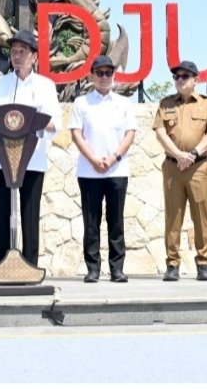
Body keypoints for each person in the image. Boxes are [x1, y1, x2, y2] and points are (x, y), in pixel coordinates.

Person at [0, 30, 62, 267]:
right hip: (3, 160)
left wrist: (32, 119)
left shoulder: (46, 85)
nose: (16, 56)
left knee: (29, 215)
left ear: (34, 57)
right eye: (13, 51)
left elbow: (55, 122)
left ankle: (30, 266)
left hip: (32, 159)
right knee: (2, 213)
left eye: (22, 52)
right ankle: (1, 265)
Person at [152, 60, 207, 282]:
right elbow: (160, 132)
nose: (179, 80)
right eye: (176, 77)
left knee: (201, 215)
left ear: (195, 80)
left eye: (184, 77)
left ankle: (203, 263)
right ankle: (172, 264)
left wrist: (192, 154)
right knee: (173, 216)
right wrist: (179, 155)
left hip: (198, 166)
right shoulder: (165, 104)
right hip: (173, 166)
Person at [69, 55, 137, 283]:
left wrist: (114, 157)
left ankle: (117, 269)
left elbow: (130, 134)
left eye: (109, 73)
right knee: (91, 221)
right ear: (92, 76)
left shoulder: (124, 103)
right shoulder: (82, 103)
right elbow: (76, 134)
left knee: (116, 222)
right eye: (100, 73)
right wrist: (94, 160)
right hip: (89, 172)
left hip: (117, 171)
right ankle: (93, 269)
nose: (105, 77)